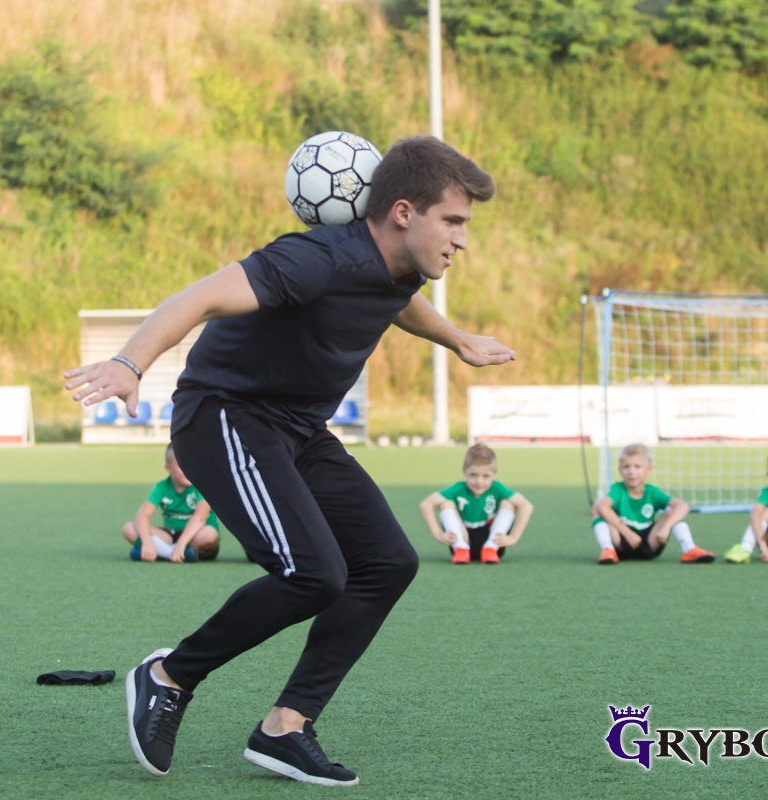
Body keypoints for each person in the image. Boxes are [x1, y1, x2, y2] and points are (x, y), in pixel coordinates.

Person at [64, 136, 514, 786]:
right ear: (404, 212)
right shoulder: (314, 258)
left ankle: (286, 726)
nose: (463, 240)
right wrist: (129, 362)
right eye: (453, 221)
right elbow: (199, 297)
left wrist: (458, 339)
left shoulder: (403, 266)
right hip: (226, 415)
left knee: (387, 561)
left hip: (299, 428)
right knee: (313, 573)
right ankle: (168, 676)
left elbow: (396, 300)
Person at [591, 443, 715, 565]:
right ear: (620, 470)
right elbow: (602, 506)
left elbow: (683, 506)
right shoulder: (618, 490)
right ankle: (608, 549)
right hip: (621, 544)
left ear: (649, 470)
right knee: (597, 508)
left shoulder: (652, 492)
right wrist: (628, 533)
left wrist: (666, 527)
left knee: (673, 512)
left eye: (637, 467)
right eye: (626, 467)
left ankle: (689, 549)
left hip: (649, 544)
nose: (631, 472)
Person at [418, 443, 533, 563]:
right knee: (445, 503)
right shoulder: (458, 488)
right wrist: (438, 534)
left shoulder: (497, 488)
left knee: (508, 503)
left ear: (494, 473)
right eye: (473, 475)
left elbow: (526, 505)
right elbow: (426, 504)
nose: (479, 481)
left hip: (493, 542)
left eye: (486, 476)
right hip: (463, 539)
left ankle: (490, 549)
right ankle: (460, 548)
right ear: (464, 471)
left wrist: (514, 537)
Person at [125, 443, 220, 562]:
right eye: (182, 466)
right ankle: (176, 553)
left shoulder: (202, 485)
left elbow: (200, 518)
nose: (189, 470)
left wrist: (181, 544)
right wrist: (147, 542)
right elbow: (142, 516)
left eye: (192, 465)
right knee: (129, 528)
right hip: (170, 536)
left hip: (195, 536)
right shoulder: (161, 487)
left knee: (210, 534)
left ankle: (164, 552)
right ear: (168, 469)